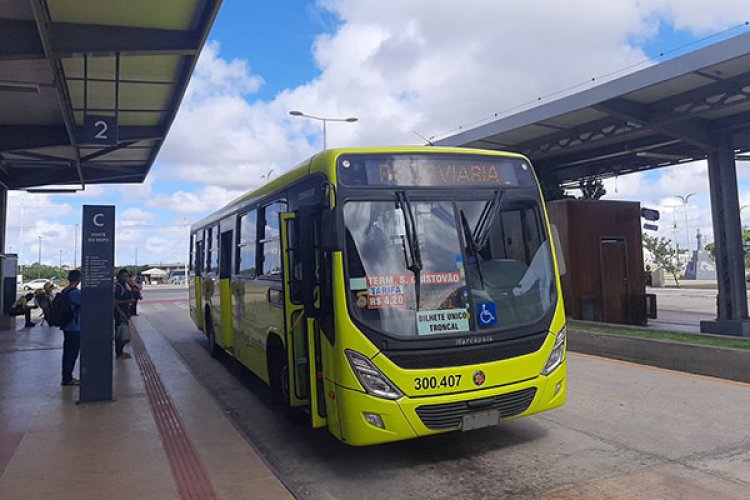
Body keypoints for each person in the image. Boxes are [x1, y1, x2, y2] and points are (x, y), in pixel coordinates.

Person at [60, 270, 82, 386]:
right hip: (75, 327)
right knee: (72, 354)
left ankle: (66, 376)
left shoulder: (65, 291)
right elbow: (88, 304)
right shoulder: (76, 293)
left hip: (67, 326)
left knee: (67, 353)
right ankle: (68, 379)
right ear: (78, 280)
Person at [114, 268, 135, 359]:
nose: (125, 278)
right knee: (120, 334)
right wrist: (128, 301)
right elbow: (115, 301)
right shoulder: (118, 287)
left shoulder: (125, 286)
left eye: (126, 276)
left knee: (123, 334)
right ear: (119, 276)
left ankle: (121, 352)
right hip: (120, 314)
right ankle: (119, 353)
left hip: (125, 313)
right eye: (124, 276)